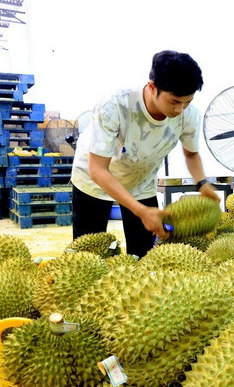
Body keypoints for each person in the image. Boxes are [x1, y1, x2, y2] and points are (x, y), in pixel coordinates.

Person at [70, 50, 220, 258]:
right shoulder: (116, 105)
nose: (180, 109)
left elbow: (191, 154)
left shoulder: (189, 116)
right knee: (87, 256)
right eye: (174, 101)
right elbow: (97, 169)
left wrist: (202, 182)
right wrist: (140, 211)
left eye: (188, 101)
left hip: (141, 183)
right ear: (152, 87)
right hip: (93, 181)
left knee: (144, 255)